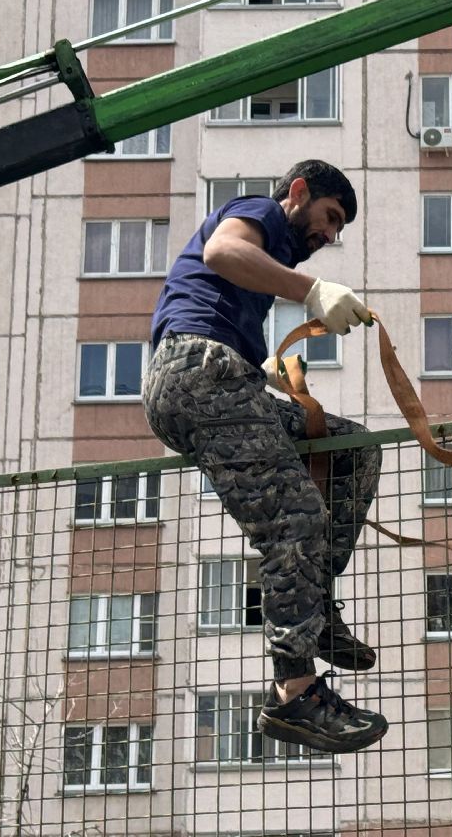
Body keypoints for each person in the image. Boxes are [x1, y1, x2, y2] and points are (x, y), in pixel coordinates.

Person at [141, 159, 388, 754]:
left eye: (337, 230)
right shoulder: (256, 212)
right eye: (329, 218)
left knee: (351, 448)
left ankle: (313, 606)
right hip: (202, 377)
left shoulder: (271, 253)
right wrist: (311, 290)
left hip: (218, 378)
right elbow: (223, 254)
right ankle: (295, 694)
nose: (329, 236)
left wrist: (270, 372)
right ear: (298, 193)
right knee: (295, 519)